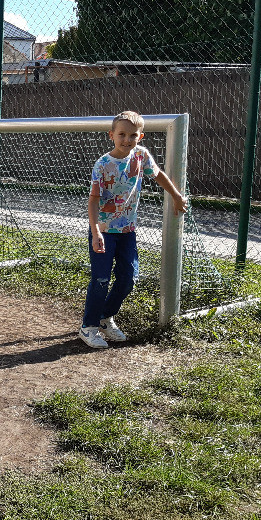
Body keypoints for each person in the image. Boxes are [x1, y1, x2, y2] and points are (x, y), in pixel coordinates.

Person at [79, 110, 188, 349]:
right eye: (122, 134)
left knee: (129, 279)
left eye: (132, 135)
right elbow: (93, 201)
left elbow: (158, 175)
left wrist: (176, 196)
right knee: (100, 279)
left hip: (127, 231)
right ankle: (88, 327)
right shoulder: (103, 165)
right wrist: (95, 232)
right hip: (104, 232)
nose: (127, 140)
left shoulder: (141, 156)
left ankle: (105, 317)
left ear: (141, 137)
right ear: (111, 135)